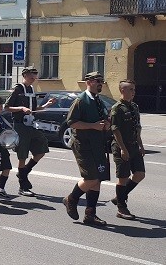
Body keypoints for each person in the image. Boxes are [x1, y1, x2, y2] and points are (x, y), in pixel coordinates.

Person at [62, 72, 111, 226]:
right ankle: (71, 198)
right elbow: (72, 123)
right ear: (89, 82)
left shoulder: (98, 101)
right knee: (91, 178)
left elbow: (104, 118)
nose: (100, 84)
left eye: (102, 81)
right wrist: (93, 126)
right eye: (98, 81)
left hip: (97, 144)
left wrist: (107, 124)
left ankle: (90, 214)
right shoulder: (80, 101)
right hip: (83, 144)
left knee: (98, 179)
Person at [3, 66, 55, 196]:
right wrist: (21, 108)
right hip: (20, 126)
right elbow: (7, 107)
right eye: (32, 76)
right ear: (25, 75)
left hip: (31, 125)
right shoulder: (17, 89)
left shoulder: (31, 89)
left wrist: (46, 105)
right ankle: (23, 186)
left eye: (35, 76)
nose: (34, 78)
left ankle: (24, 171)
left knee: (42, 148)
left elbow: (34, 108)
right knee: (22, 156)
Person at [109, 79, 145, 220]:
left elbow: (137, 128)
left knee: (140, 174)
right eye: (131, 89)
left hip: (134, 146)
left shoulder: (134, 106)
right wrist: (123, 149)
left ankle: (119, 197)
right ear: (122, 91)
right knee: (123, 178)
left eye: (134, 90)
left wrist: (141, 145)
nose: (133, 92)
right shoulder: (117, 108)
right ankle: (121, 208)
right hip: (121, 146)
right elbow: (115, 130)